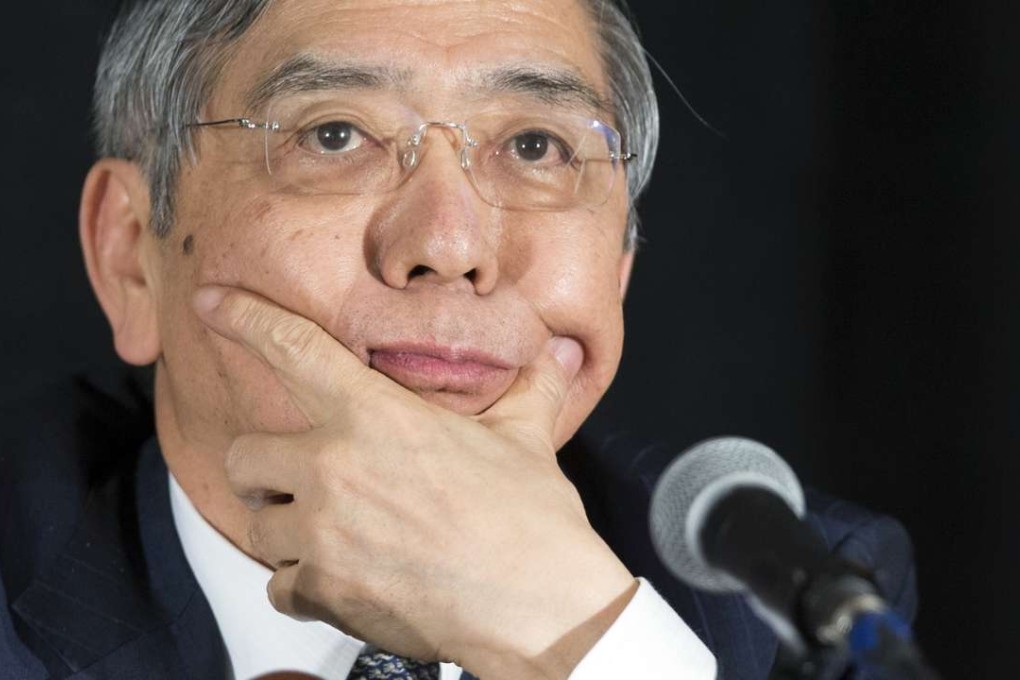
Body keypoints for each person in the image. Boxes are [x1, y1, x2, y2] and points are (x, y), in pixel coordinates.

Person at [0, 0, 916, 678]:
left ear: (622, 264)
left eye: (534, 147)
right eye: (334, 132)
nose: (450, 245)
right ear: (131, 257)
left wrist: (574, 637)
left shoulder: (798, 597)